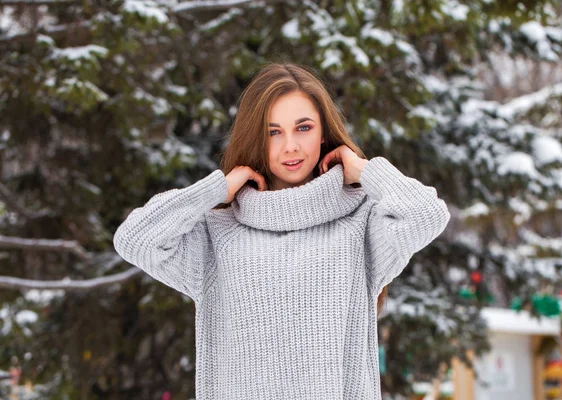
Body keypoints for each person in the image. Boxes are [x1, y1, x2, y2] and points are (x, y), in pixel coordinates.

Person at [113, 62, 451, 399]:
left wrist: (363, 169)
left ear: (323, 132)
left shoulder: (361, 224)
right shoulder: (218, 235)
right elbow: (135, 239)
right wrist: (217, 189)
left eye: (303, 128)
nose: (290, 145)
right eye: (274, 132)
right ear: (256, 138)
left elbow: (425, 215)